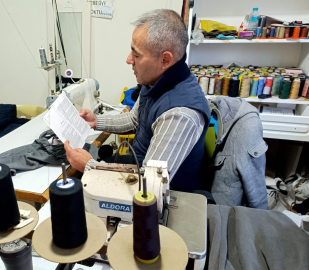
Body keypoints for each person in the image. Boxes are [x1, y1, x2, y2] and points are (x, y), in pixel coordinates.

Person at [64, 9, 210, 191]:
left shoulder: (179, 114)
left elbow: (149, 187)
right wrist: (96, 121)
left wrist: (90, 166)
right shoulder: (156, 81)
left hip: (161, 196)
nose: (128, 59)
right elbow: (135, 120)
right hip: (138, 165)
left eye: (137, 55)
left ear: (165, 60)